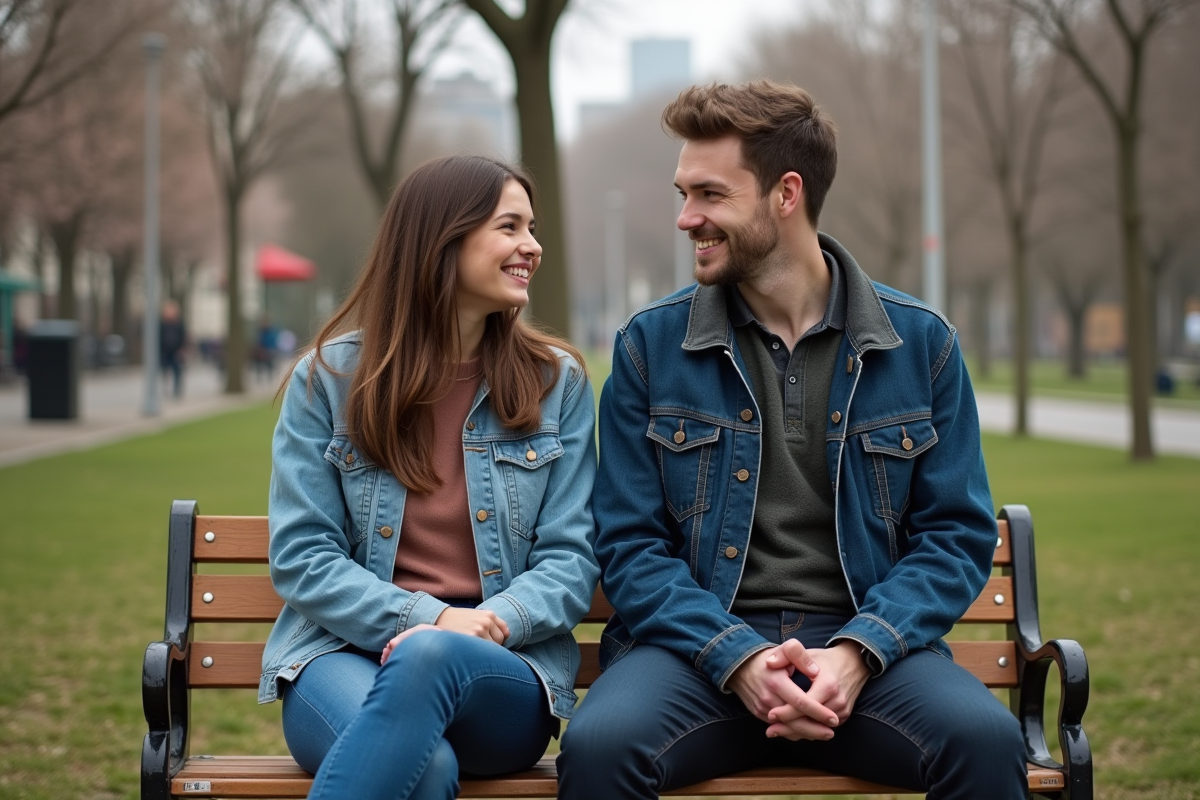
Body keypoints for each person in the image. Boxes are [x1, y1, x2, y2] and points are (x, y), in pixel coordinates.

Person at [557, 81, 1025, 799]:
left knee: (985, 741)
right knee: (600, 747)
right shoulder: (651, 345)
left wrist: (857, 653)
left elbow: (954, 537)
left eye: (709, 195)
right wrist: (739, 658)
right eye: (683, 194)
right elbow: (628, 545)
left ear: (786, 193)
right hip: (695, 655)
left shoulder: (920, 343)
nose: (686, 219)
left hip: (870, 656)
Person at [260, 155, 599, 800]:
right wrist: (430, 615)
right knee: (429, 771)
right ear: (444, 239)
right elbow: (303, 557)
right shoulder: (328, 380)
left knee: (427, 657)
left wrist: (484, 622)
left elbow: (570, 560)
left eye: (531, 227)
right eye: (509, 227)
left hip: (503, 669)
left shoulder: (558, 383)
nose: (533, 246)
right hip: (338, 659)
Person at [159, 299, 186, 398]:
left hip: (176, 351)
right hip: (165, 351)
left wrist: (181, 349)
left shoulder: (179, 324)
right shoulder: (162, 324)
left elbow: (182, 337)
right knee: (164, 370)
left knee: (177, 371)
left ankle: (176, 390)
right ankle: (165, 389)